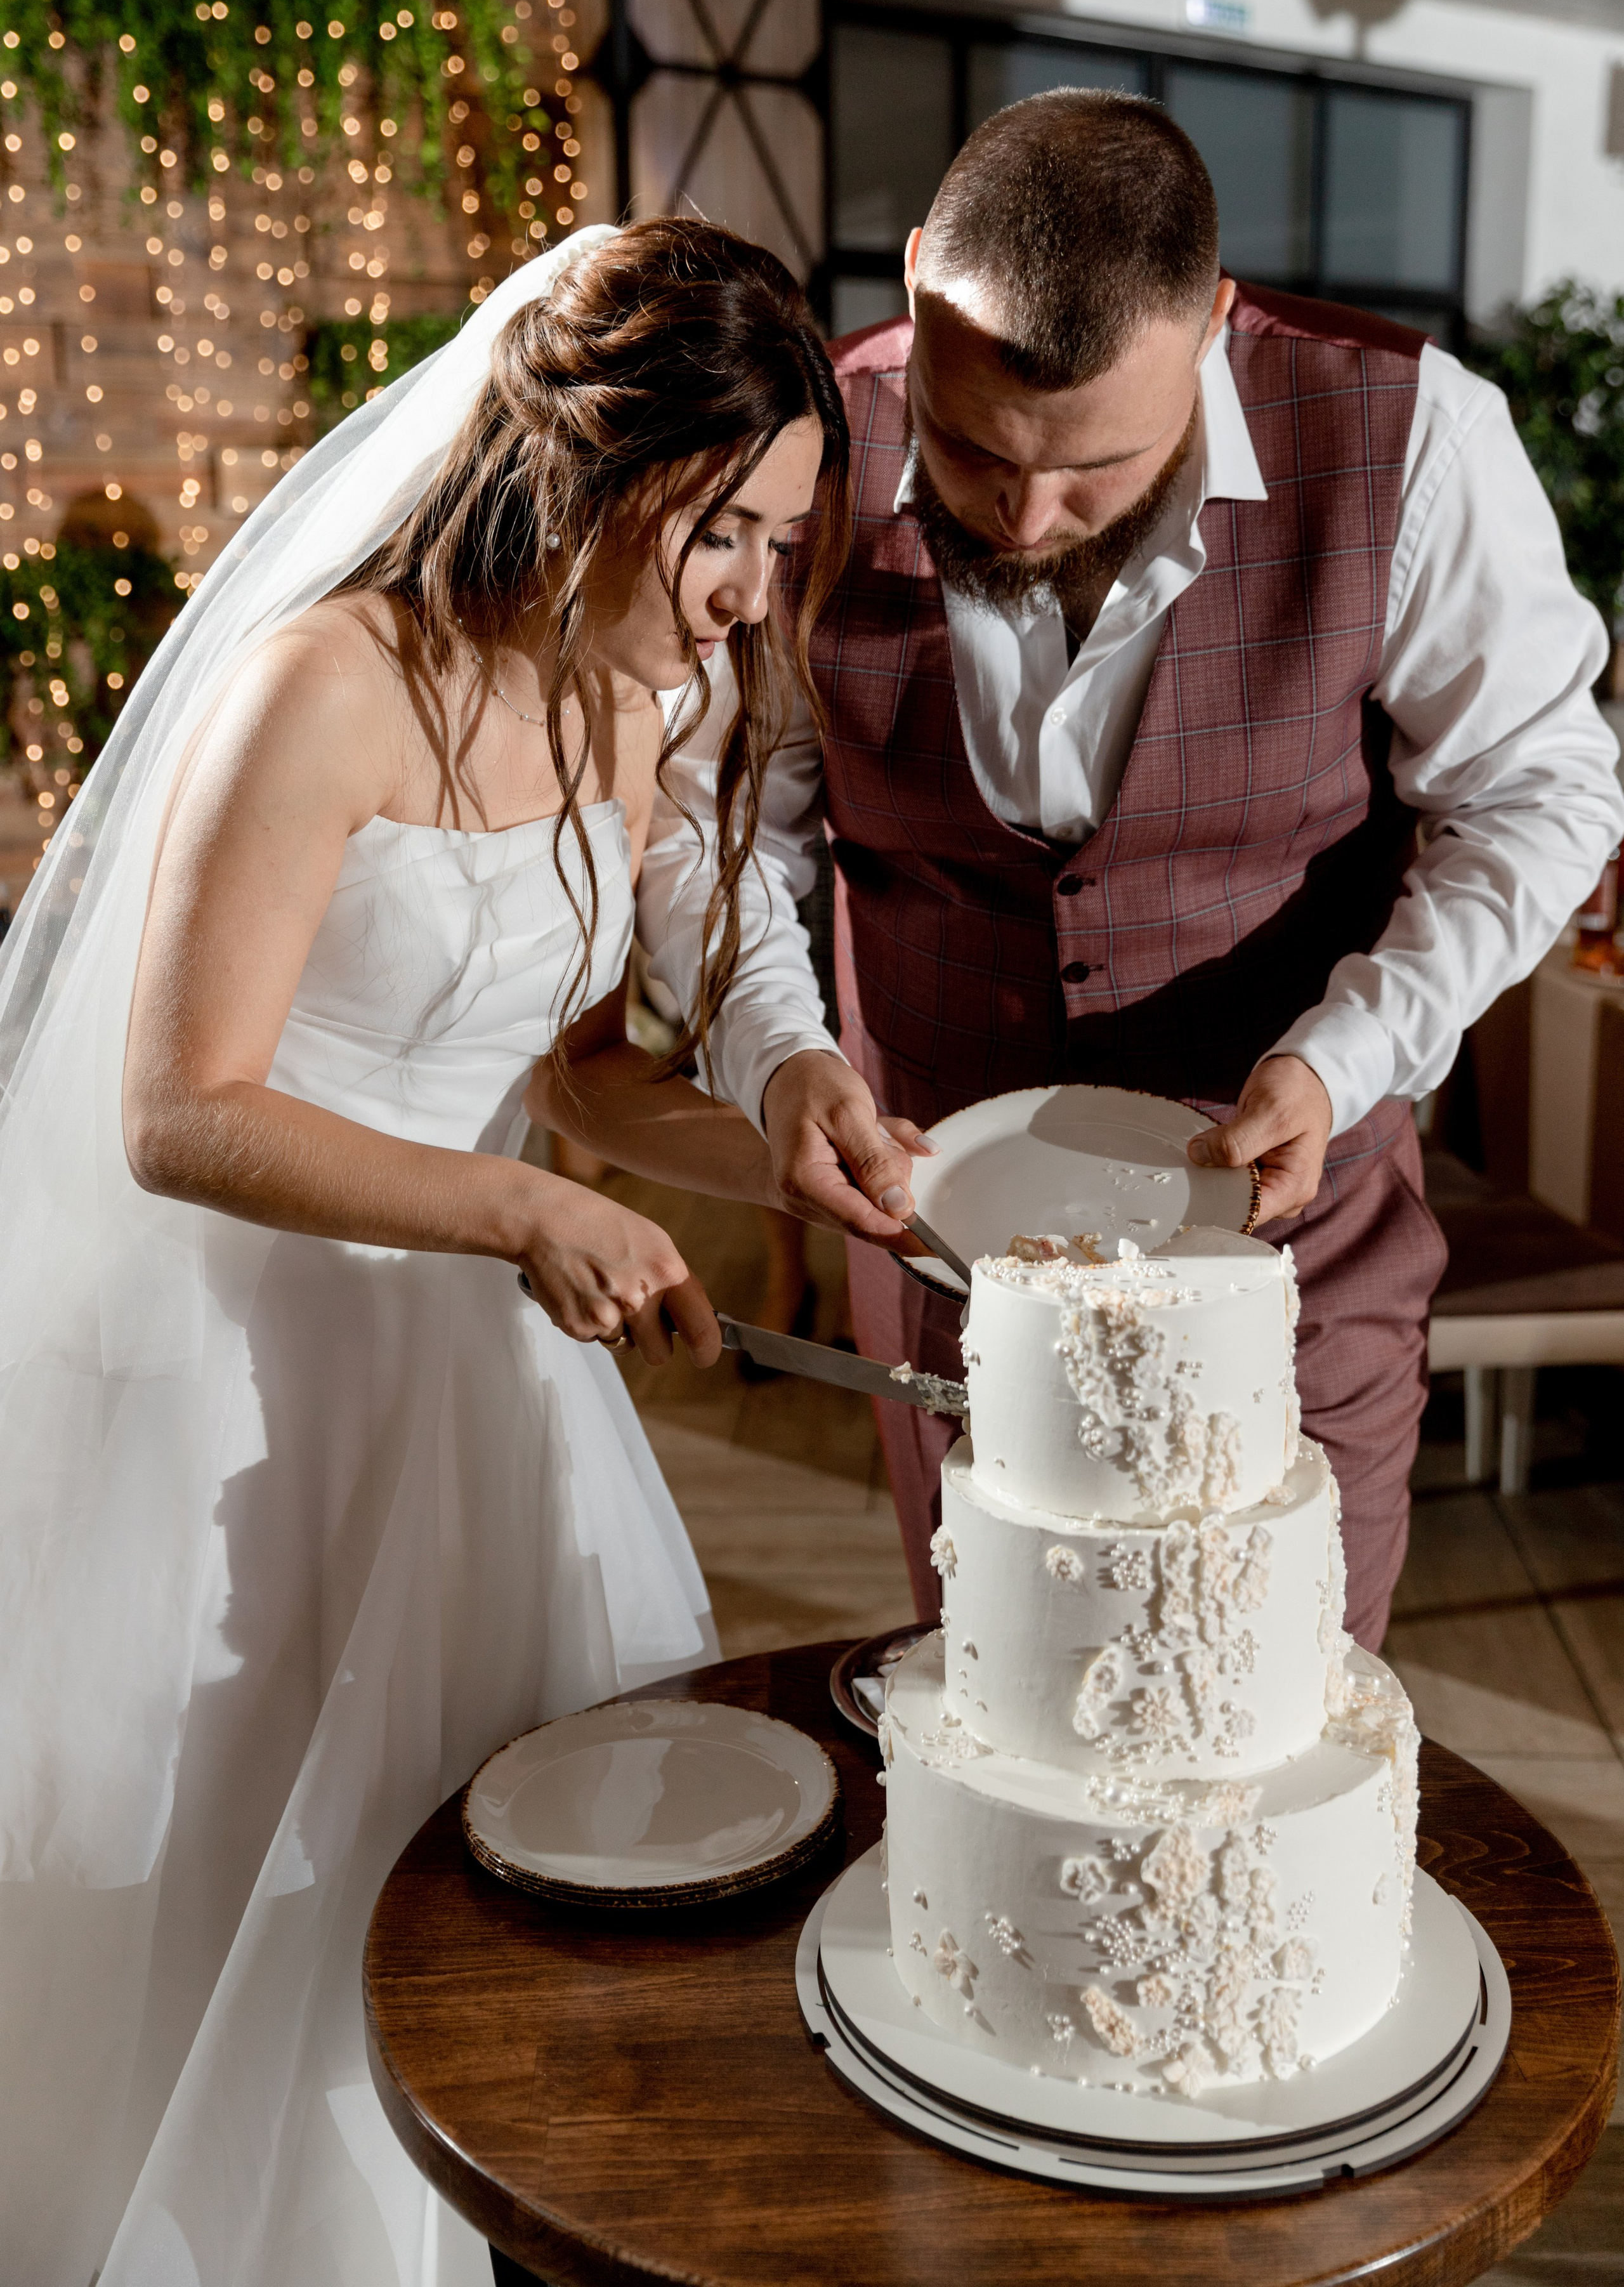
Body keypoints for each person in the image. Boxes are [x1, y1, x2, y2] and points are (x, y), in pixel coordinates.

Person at [0, 220, 915, 2287]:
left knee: (484, 1875)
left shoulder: (642, 691)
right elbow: (182, 1108)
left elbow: (574, 1070)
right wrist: (519, 1208)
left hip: (468, 1380)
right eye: (722, 531)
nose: (752, 593)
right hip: (230, 1353)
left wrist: (796, 1155)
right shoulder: (319, 691)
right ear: (593, 473)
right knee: (238, 1866)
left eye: (782, 540)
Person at [639, 90, 1624, 1651]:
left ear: (1214, 328)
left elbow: (1540, 793)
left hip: (1298, 1255)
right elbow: (710, 823)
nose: (1023, 515)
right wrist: (773, 1056)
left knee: (1274, 1732)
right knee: (1002, 1734)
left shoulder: (1410, 432)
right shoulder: (805, 448)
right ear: (913, 290)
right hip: (947, 1251)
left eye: (1096, 465)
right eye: (970, 451)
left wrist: (1348, 1048)